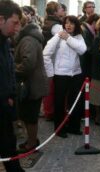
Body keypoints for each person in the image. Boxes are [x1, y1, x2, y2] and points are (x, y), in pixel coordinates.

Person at [43, 15, 87, 138]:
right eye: (67, 23)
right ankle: (59, 129)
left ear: (76, 25)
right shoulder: (58, 36)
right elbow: (45, 54)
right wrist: (51, 73)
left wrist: (68, 38)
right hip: (61, 74)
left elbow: (82, 50)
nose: (69, 25)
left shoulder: (78, 37)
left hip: (76, 74)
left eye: (72, 23)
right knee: (59, 102)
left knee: (75, 102)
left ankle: (74, 126)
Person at [14, 14, 48, 153]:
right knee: (28, 115)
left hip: (32, 85)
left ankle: (32, 144)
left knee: (30, 116)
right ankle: (31, 141)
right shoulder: (28, 38)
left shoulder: (28, 40)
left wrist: (12, 67)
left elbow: (28, 64)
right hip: (32, 84)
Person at [0, 1, 24, 171]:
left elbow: (9, 72)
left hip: (5, 110)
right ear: (1, 19)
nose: (17, 28)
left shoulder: (5, 42)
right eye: (14, 23)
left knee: (9, 146)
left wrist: (11, 97)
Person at [41, 1, 64, 121]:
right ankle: (49, 112)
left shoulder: (49, 22)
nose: (62, 10)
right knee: (51, 87)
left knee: (49, 86)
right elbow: (64, 38)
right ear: (55, 12)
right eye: (60, 9)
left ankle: (48, 111)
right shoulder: (55, 26)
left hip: (50, 58)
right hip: (52, 58)